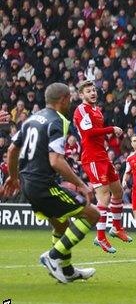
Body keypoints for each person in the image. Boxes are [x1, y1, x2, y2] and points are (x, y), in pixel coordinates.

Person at [3, 82, 99, 283]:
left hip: (28, 183)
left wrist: (13, 176)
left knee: (60, 223)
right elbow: (56, 160)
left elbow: (12, 150)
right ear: (63, 99)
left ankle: (67, 270)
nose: (70, 101)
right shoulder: (58, 121)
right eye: (70, 98)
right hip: (43, 185)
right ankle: (53, 256)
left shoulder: (31, 119)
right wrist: (80, 184)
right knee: (92, 214)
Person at [73, 80, 131, 253]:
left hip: (102, 156)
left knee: (118, 191)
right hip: (92, 158)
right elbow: (89, 133)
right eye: (88, 91)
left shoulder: (96, 110)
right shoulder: (81, 110)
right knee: (103, 196)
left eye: (93, 90)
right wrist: (111, 128)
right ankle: (100, 237)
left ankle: (116, 228)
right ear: (81, 95)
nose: (92, 93)